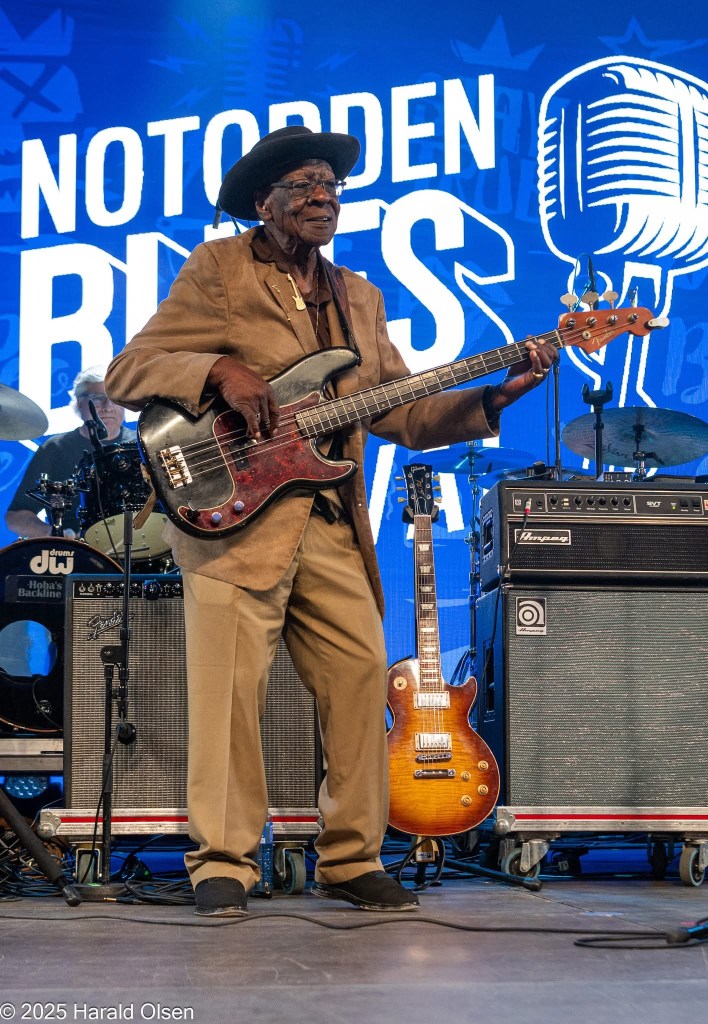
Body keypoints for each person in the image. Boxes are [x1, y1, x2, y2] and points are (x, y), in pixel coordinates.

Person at [105, 125, 556, 917]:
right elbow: (130, 370)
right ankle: (223, 862)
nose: (324, 197)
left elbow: (402, 410)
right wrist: (219, 369)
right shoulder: (219, 269)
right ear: (265, 202)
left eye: (331, 186)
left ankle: (351, 858)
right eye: (305, 185)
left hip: (329, 523)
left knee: (360, 680)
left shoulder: (359, 297)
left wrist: (494, 396)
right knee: (227, 697)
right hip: (234, 522)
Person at [5, 367, 132, 540]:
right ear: (79, 403)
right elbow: (16, 517)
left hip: (137, 545)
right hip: (74, 550)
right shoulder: (56, 449)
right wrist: (55, 535)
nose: (108, 407)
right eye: (97, 398)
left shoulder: (140, 445)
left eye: (115, 398)